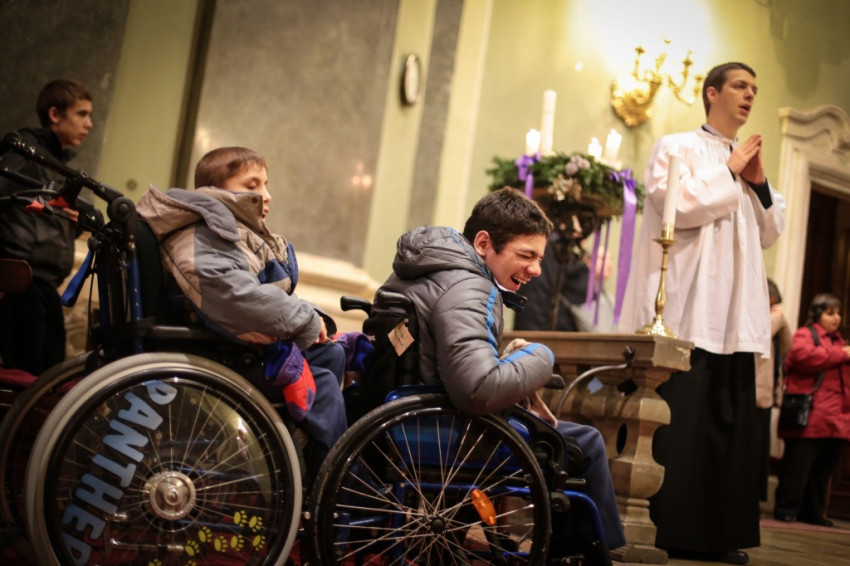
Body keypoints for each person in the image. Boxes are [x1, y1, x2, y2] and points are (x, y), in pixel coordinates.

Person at [375, 187, 626, 549]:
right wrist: (540, 357)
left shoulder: (422, 271)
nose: (536, 269)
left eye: (539, 258)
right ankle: (587, 556)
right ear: (483, 243)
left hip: (406, 419)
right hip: (444, 434)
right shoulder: (469, 288)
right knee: (583, 443)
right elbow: (477, 390)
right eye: (526, 255)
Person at [618, 62, 785, 564]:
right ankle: (669, 527)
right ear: (712, 92)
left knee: (725, 422)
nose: (749, 95)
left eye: (754, 88)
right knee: (681, 422)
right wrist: (729, 171)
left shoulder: (748, 162)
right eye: (740, 86)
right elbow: (676, 204)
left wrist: (757, 182)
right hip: (689, 306)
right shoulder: (676, 146)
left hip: (735, 310)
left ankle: (717, 535)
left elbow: (771, 231)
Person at [135, 146, 347, 480]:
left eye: (265, 185)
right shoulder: (202, 230)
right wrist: (305, 319)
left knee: (331, 354)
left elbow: (261, 292)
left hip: (231, 345)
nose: (266, 195)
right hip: (217, 355)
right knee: (323, 388)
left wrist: (312, 317)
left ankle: (301, 460)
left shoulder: (224, 228)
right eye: (252, 186)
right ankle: (332, 489)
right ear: (215, 189)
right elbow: (234, 298)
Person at [0, 79, 92, 375]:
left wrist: (73, 221)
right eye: (81, 114)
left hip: (45, 282)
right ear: (55, 114)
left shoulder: (55, 163)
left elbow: (42, 211)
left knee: (50, 376)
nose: (89, 124)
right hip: (21, 279)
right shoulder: (24, 151)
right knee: (26, 377)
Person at [774, 293, 850, 526]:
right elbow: (801, 356)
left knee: (823, 469)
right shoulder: (807, 334)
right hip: (811, 414)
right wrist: (842, 354)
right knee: (798, 466)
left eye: (838, 313)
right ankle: (787, 509)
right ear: (817, 314)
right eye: (830, 313)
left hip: (837, 416)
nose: (836, 318)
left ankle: (813, 512)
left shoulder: (839, 341)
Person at [514, 233, 615, 332]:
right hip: (549, 326)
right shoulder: (560, 247)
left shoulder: (538, 240)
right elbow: (580, 291)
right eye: (601, 259)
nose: (608, 263)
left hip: (527, 320)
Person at [755, 279, 792, 503]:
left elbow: (788, 347)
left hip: (766, 392)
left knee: (761, 448)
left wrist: (781, 319)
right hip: (754, 391)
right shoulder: (758, 320)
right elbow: (763, 334)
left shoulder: (775, 318)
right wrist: (777, 318)